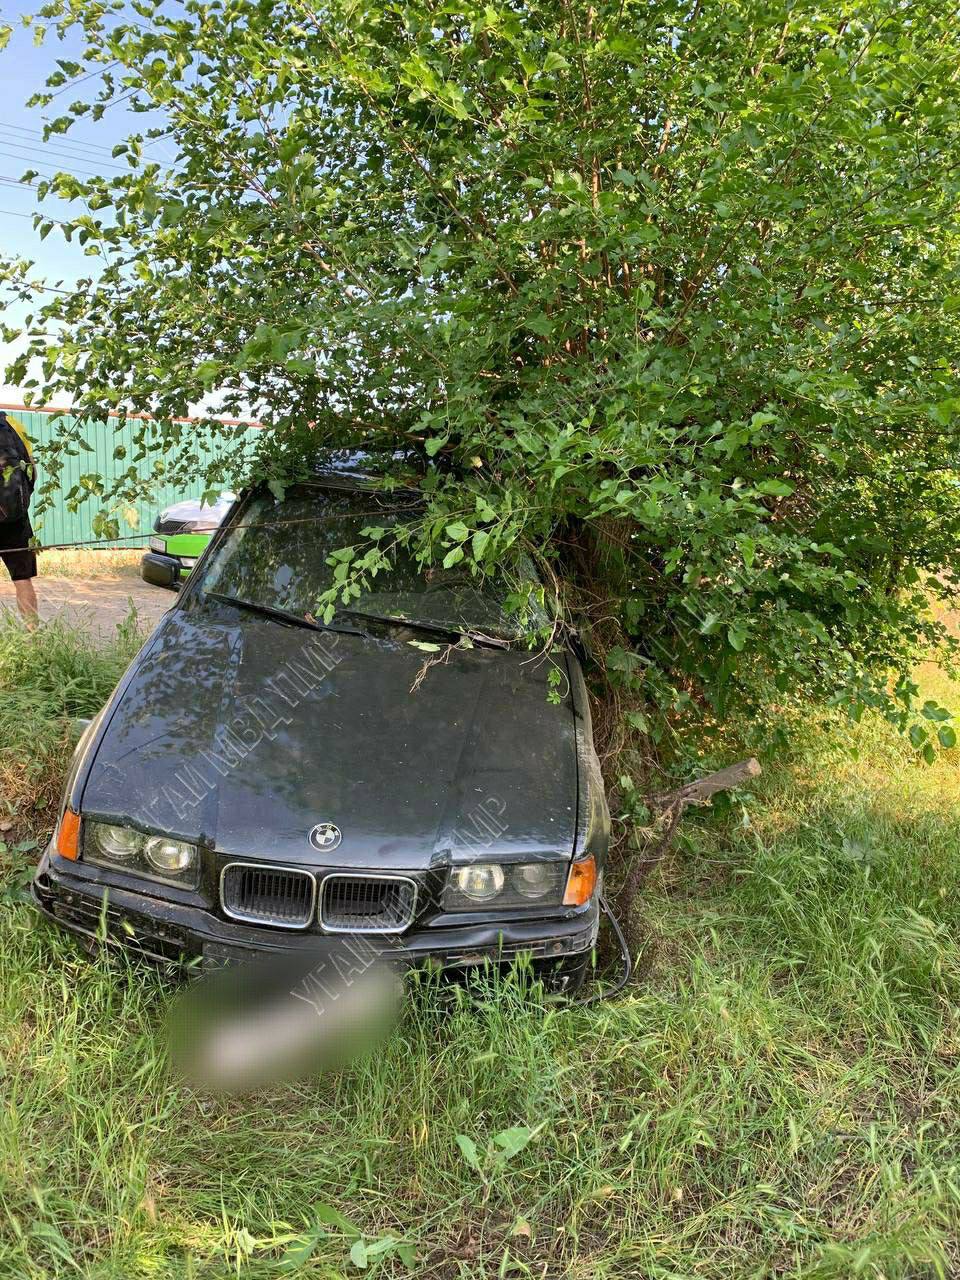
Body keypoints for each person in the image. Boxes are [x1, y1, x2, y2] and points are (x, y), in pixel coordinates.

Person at [0, 409, 39, 623]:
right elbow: (31, 470)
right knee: (23, 580)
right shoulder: (13, 424)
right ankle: (33, 641)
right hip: (15, 519)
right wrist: (20, 506)